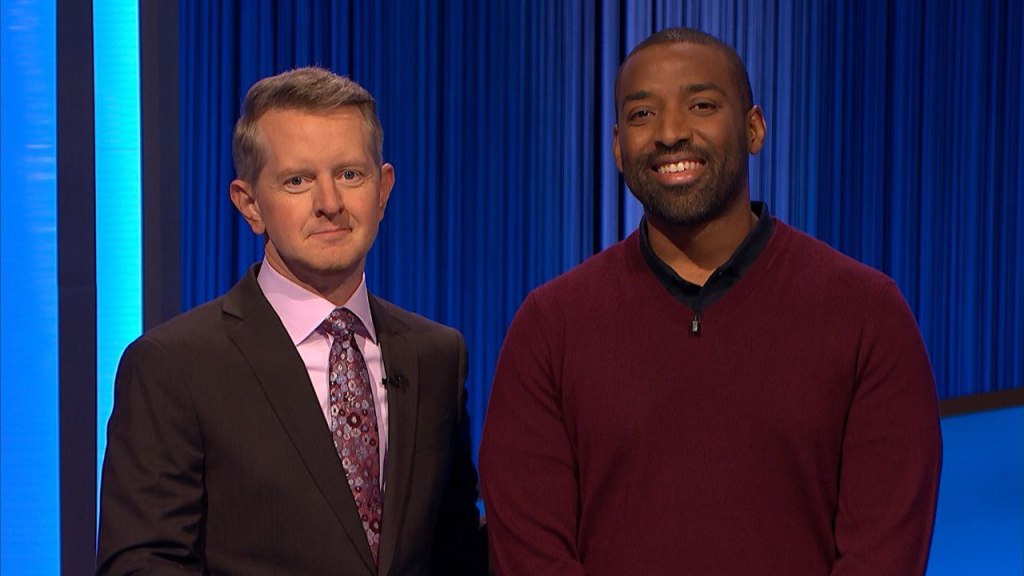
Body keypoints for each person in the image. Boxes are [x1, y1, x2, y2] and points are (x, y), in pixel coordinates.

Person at [479, 27, 941, 575]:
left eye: (700, 105)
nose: (671, 133)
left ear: (754, 128)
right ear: (618, 149)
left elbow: (883, 554)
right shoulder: (549, 327)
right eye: (642, 115)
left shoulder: (867, 313)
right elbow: (531, 553)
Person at [98, 67, 485, 575]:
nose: (329, 203)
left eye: (350, 174)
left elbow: (456, 552)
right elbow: (143, 565)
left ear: (384, 189)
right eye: (298, 181)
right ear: (250, 203)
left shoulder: (436, 355)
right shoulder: (174, 366)